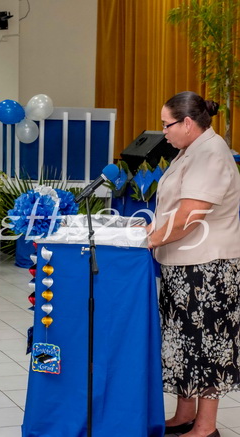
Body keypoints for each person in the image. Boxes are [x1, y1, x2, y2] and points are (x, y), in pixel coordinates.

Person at [147, 91, 240, 437]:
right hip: (185, 264)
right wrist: (151, 230)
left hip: (207, 269)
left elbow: (190, 215)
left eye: (166, 125)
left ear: (187, 123)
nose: (163, 132)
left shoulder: (211, 154)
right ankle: (184, 415)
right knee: (183, 345)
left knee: (207, 346)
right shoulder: (190, 150)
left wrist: (151, 240)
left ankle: (205, 427)